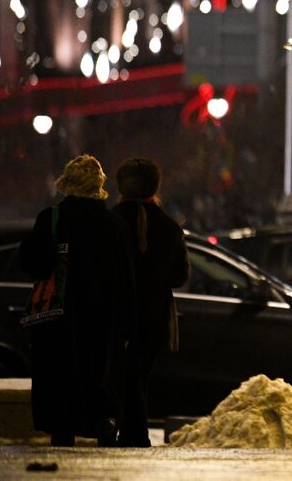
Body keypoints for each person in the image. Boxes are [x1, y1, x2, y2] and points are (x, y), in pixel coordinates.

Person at [19, 155, 135, 447]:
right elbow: (126, 278)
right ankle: (104, 421)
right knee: (101, 372)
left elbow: (35, 264)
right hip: (103, 317)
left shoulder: (52, 218)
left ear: (66, 183)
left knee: (60, 374)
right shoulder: (114, 224)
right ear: (99, 185)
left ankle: (62, 427)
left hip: (60, 318)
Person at [110, 158, 190, 447]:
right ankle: (134, 432)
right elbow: (179, 276)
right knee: (139, 375)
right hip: (154, 316)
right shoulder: (169, 227)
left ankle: (130, 433)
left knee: (123, 375)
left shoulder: (111, 222)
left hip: (117, 315)